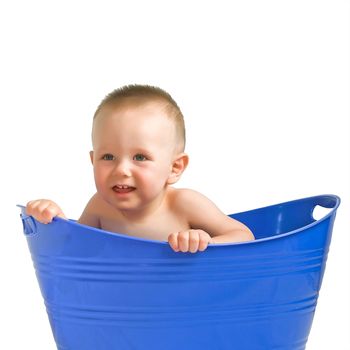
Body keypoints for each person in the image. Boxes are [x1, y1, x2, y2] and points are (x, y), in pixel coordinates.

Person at [26, 84, 254, 252]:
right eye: (108, 156)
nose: (122, 169)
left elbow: (245, 235)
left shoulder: (184, 205)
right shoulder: (100, 207)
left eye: (140, 157)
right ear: (92, 160)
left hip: (186, 306)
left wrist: (205, 241)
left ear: (175, 167)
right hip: (126, 308)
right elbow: (73, 252)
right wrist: (53, 220)